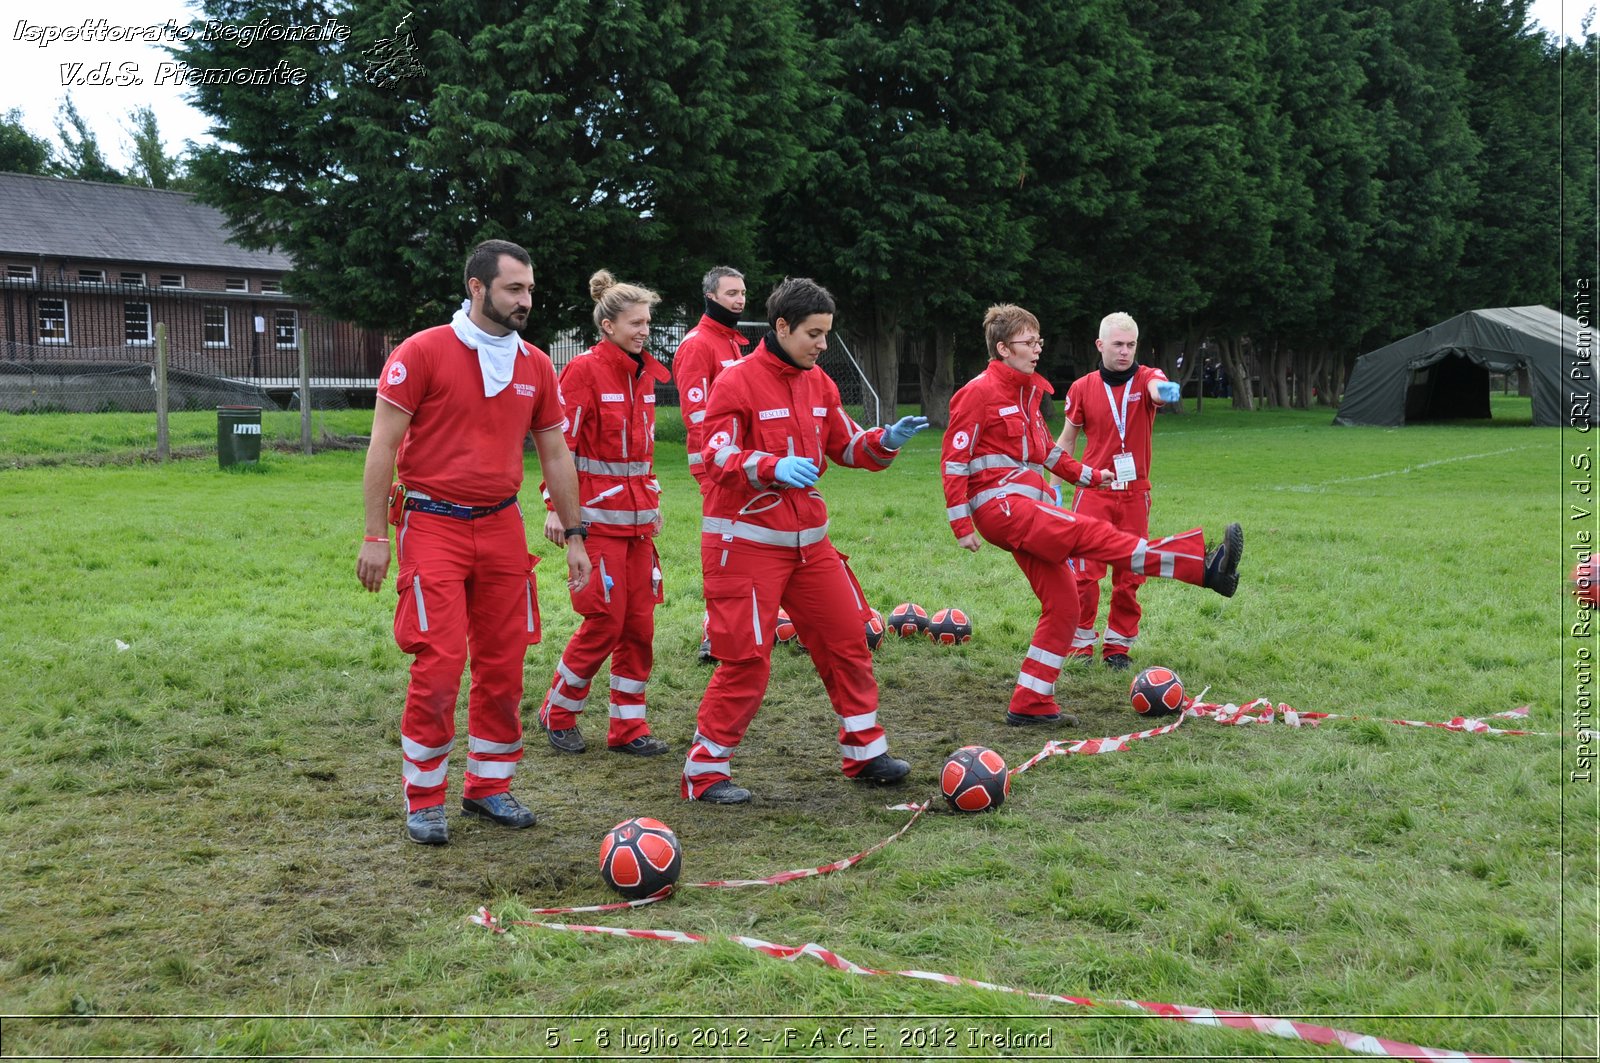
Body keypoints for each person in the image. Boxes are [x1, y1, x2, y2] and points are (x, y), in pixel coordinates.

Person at [357, 239, 592, 846]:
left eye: (531, 289)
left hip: (502, 527)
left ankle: (489, 787)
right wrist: (375, 535)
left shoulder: (537, 364)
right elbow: (382, 448)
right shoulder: (424, 352)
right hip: (432, 524)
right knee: (439, 664)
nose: (527, 300)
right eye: (515, 288)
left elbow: (557, 453)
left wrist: (574, 534)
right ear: (478, 288)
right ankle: (425, 798)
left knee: (503, 662)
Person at [680, 277, 930, 803]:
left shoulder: (820, 383)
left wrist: (884, 440)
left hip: (809, 545)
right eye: (813, 334)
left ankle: (865, 753)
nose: (821, 344)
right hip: (744, 544)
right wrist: (769, 465)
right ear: (781, 327)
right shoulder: (735, 381)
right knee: (746, 660)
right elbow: (713, 456)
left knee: (847, 641)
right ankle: (705, 771)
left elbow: (845, 445)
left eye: (826, 334)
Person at [941, 304, 1242, 727]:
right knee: (1094, 536)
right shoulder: (979, 391)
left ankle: (1030, 702)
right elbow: (953, 461)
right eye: (1031, 342)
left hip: (1029, 506)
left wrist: (1089, 476)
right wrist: (961, 524)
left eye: (1039, 340)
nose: (1039, 349)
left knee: (1063, 602)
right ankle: (1202, 566)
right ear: (1004, 348)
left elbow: (1048, 452)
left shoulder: (1027, 391)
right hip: (1005, 509)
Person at [537, 270, 672, 758]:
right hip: (595, 526)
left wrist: (651, 505)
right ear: (608, 325)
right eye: (635, 323)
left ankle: (628, 728)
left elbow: (643, 457)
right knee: (603, 622)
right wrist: (555, 508)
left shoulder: (645, 375)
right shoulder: (582, 373)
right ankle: (558, 711)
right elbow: (559, 447)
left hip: (637, 527)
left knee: (639, 628)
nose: (644, 331)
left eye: (648, 324)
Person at [1048, 311, 1180, 669]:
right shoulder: (1082, 387)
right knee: (1084, 574)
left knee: (1131, 573)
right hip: (1093, 490)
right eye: (1118, 344)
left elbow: (1157, 387)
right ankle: (1080, 643)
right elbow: (1069, 438)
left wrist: (1163, 392)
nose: (1125, 352)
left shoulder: (1146, 378)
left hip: (1136, 493)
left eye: (1131, 345)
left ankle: (1118, 647)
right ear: (1100, 345)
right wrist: (1054, 485)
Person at [671, 266, 751, 662]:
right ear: (710, 296)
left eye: (742, 293)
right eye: (731, 293)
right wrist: (725, 458)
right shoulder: (698, 344)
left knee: (745, 545)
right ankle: (715, 634)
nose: (739, 300)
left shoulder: (732, 342)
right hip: (717, 467)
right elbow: (698, 415)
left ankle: (742, 626)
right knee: (725, 549)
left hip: (742, 464)